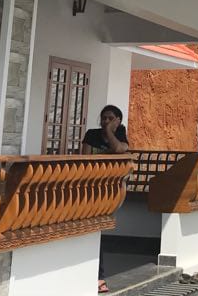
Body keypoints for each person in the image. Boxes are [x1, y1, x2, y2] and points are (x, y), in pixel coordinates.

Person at [81, 105, 130, 292]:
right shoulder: (92, 134)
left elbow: (119, 149)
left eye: (110, 118)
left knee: (98, 226)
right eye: (103, 118)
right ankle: (97, 276)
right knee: (94, 227)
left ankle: (99, 277)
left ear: (118, 121)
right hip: (90, 188)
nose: (105, 121)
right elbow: (85, 157)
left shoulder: (121, 134)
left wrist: (110, 132)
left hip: (111, 190)